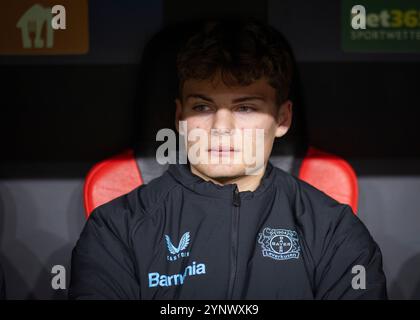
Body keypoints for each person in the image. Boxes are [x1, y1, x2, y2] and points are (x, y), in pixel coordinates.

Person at [69, 19, 387, 299]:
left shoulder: (334, 229)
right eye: (203, 107)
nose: (221, 128)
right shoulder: (115, 228)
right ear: (180, 116)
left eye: (245, 107)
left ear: (282, 118)